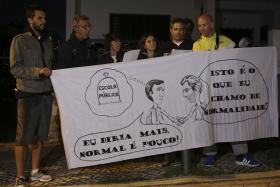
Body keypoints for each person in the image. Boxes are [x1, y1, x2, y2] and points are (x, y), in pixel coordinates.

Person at [192, 13, 261, 167]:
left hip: (228, 89)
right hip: (208, 90)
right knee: (208, 121)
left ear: (211, 24)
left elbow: (237, 61)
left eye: (204, 24)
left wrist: (241, 49)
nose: (201, 28)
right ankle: (210, 155)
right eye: (199, 25)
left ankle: (241, 154)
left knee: (234, 120)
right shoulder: (196, 45)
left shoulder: (225, 40)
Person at [10, 5, 54, 186]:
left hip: (45, 94)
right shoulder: (19, 41)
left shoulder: (48, 41)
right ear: (30, 20)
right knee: (23, 137)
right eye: (40, 18)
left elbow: (52, 67)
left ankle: (35, 172)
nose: (44, 21)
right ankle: (20, 176)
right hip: (27, 94)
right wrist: (39, 71)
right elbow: (15, 68)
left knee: (40, 135)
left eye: (44, 18)